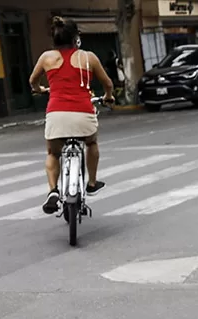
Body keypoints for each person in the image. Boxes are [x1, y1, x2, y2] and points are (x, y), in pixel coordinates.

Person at [28, 17, 113, 215]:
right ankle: (91, 183)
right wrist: (108, 97)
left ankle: (53, 191)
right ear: (76, 38)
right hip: (83, 114)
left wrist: (40, 89)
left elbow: (33, 81)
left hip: (57, 114)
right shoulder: (88, 57)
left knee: (53, 153)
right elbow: (107, 83)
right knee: (91, 143)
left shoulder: (46, 58)